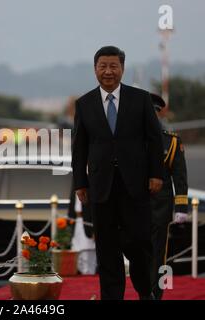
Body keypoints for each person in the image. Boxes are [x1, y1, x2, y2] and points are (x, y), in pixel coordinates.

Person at [71, 46, 164, 300]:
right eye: (103, 66)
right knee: (107, 248)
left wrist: (157, 174)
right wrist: (80, 182)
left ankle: (147, 292)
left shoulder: (141, 99)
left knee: (140, 244)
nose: (108, 71)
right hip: (101, 188)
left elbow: (155, 140)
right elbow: (78, 148)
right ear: (95, 69)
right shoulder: (84, 103)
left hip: (136, 186)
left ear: (122, 68)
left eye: (114, 66)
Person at [149, 93, 188, 300]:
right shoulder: (128, 140)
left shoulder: (171, 141)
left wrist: (181, 207)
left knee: (157, 254)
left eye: (153, 113)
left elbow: (180, 177)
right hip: (133, 206)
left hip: (159, 208)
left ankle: (156, 293)